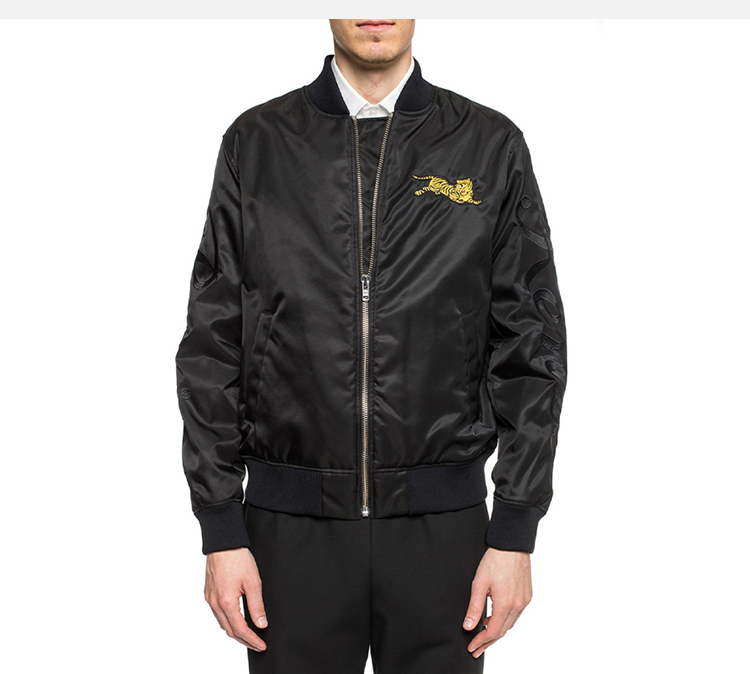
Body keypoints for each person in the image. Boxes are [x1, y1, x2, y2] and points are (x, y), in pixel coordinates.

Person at [175, 19, 567, 674]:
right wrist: (219, 524)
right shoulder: (258, 143)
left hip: (443, 533)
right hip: (288, 531)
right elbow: (212, 342)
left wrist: (515, 529)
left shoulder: (487, 145)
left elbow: (531, 345)